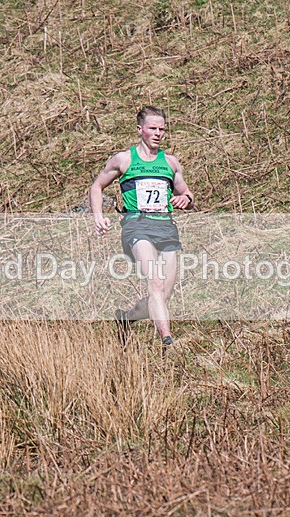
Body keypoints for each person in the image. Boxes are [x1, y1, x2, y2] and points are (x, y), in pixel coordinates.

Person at [88, 106, 195, 347]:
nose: (158, 133)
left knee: (163, 296)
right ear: (140, 130)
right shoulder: (124, 159)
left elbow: (187, 194)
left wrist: (185, 199)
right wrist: (98, 216)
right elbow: (96, 187)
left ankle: (126, 318)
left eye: (162, 129)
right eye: (152, 128)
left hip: (166, 228)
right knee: (155, 283)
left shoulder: (170, 162)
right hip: (137, 227)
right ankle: (167, 341)